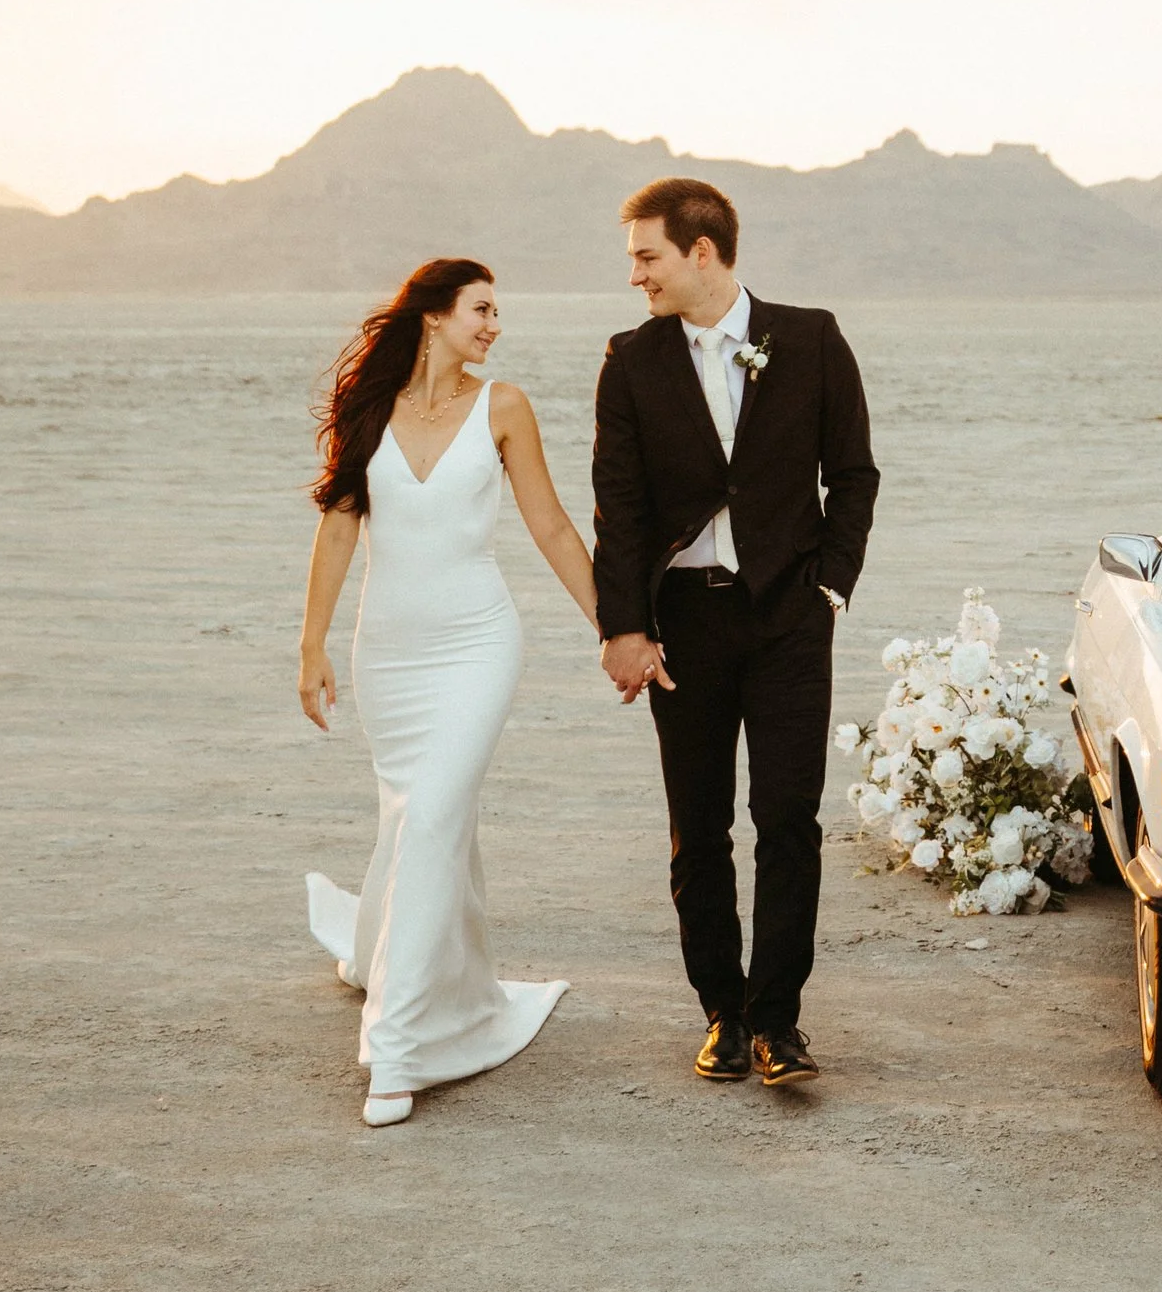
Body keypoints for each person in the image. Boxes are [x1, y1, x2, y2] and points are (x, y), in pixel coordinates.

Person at [297, 255, 598, 1128]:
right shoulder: (369, 415)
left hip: (477, 643)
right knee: (415, 817)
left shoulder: (504, 407)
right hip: (386, 652)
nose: (495, 325)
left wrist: (615, 630)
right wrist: (310, 643)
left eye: (497, 312)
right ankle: (391, 955)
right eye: (482, 309)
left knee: (430, 815)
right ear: (432, 316)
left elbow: (548, 523)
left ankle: (396, 1049)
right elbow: (338, 527)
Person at [593, 178, 879, 1088]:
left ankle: (779, 1021)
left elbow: (855, 475)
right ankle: (722, 1012)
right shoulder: (630, 361)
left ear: (702, 251)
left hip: (791, 618)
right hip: (686, 626)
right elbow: (621, 512)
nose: (635, 273)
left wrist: (831, 588)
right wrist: (625, 629)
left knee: (788, 818)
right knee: (699, 826)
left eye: (647, 256)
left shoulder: (811, 338)